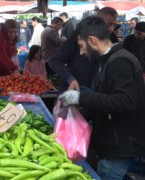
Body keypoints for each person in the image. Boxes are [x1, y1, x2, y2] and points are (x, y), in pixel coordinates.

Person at [59, 16, 145, 180]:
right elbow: (102, 99)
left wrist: (80, 97)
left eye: (81, 46)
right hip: (111, 145)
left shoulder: (120, 62)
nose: (81, 52)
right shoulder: (107, 62)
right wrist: (71, 121)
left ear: (92, 40)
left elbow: (124, 101)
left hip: (119, 148)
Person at [49, 7, 118, 94]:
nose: (111, 29)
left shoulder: (113, 44)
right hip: (72, 91)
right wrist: (70, 78)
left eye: (114, 25)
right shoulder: (78, 36)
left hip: (94, 94)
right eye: (107, 25)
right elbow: (55, 61)